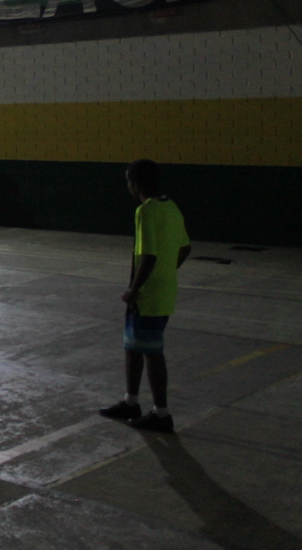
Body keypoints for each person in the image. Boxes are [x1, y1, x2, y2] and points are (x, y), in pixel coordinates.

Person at [99, 159, 191, 434]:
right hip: (163, 288)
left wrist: (134, 290)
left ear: (136, 183)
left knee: (151, 352)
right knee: (133, 346)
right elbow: (185, 248)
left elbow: (148, 256)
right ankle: (131, 402)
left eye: (129, 180)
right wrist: (166, 272)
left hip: (148, 294)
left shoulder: (145, 211)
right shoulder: (171, 207)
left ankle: (161, 413)